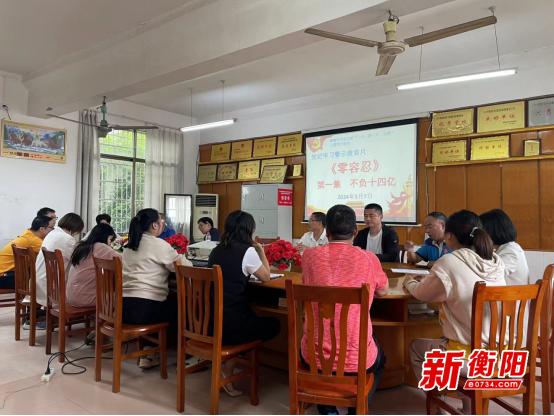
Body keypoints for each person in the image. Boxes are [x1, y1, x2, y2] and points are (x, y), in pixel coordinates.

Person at [301, 204, 388, 414]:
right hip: (357, 358)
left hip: (313, 355)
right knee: (381, 359)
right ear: (356, 232)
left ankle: (327, 409)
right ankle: (356, 407)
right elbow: (383, 291)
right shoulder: (369, 258)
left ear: (327, 231)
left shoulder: (309, 257)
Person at [405, 210, 505, 389]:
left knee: (415, 347)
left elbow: (421, 293)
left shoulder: (449, 261)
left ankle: (443, 399)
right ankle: (467, 401)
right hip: (499, 354)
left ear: (449, 236)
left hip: (467, 358)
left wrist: (409, 281)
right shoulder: (496, 262)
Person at [208, 210, 279, 395]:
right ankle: (228, 368)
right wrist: (261, 250)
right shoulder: (247, 251)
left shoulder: (216, 250)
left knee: (250, 316)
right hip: (231, 326)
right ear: (249, 229)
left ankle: (227, 364)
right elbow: (265, 277)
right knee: (274, 324)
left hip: (210, 323)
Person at [122, 208, 192, 369]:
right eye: (162, 223)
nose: (163, 225)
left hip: (123, 307)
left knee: (163, 302)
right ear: (154, 225)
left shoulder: (129, 245)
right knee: (184, 306)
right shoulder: (159, 244)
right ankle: (190, 355)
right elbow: (184, 266)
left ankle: (149, 351)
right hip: (145, 311)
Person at [35, 213, 85, 306]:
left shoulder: (52, 234)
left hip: (39, 281)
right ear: (74, 228)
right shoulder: (67, 239)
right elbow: (79, 261)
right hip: (51, 287)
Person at [67, 223, 121, 308]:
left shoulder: (80, 246)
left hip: (71, 296)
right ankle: (110, 320)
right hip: (84, 298)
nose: (110, 244)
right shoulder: (101, 247)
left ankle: (102, 319)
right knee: (123, 297)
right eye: (110, 240)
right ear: (106, 236)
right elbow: (121, 260)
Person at [0, 215, 55, 290]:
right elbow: (52, 253)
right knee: (41, 277)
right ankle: (38, 300)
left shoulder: (28, 234)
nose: (53, 231)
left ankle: (32, 299)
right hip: (4, 277)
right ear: (42, 229)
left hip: (6, 273)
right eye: (52, 228)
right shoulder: (34, 240)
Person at [480, 209, 530, 285]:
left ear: (491, 232)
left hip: (514, 295)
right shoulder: (507, 248)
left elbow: (492, 274)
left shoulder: (511, 251)